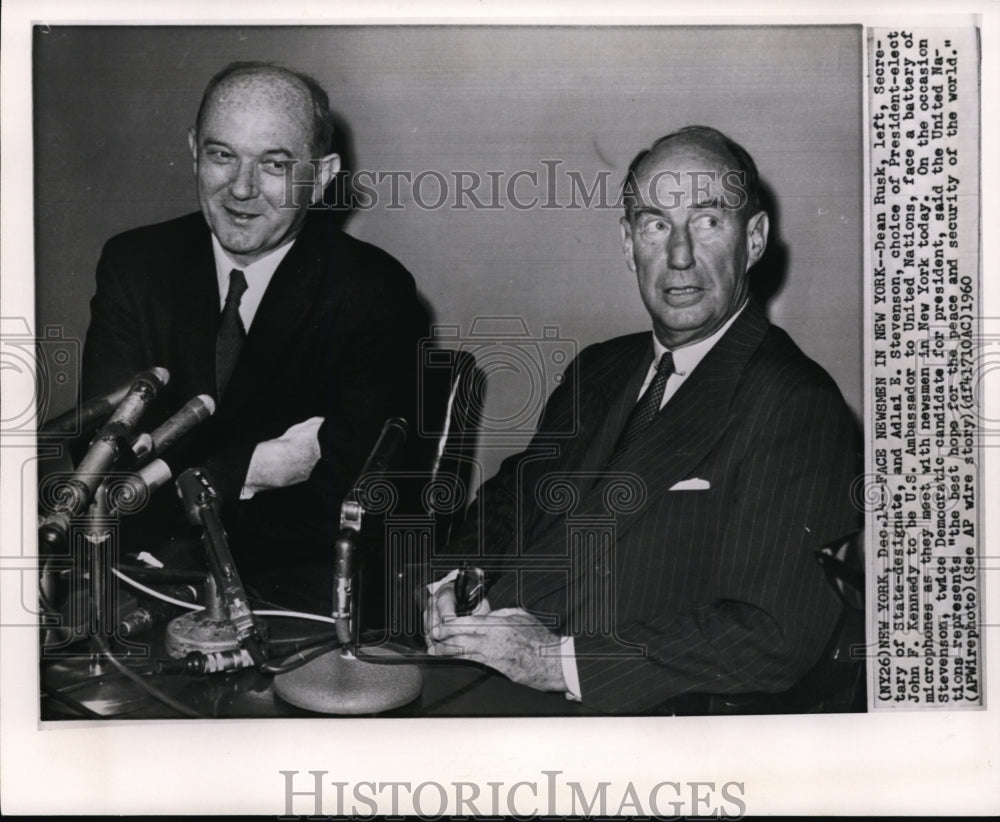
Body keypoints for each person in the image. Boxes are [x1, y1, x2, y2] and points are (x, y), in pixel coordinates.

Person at [423, 125, 861, 714]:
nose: (680, 256)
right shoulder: (599, 369)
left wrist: (555, 662)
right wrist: (456, 579)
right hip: (481, 668)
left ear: (753, 240)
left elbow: (772, 636)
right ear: (629, 244)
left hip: (618, 714)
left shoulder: (794, 402)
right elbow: (513, 499)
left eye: (708, 221)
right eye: (657, 224)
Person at [81, 62, 427, 611]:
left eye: (275, 164)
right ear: (195, 148)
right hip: (140, 583)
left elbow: (354, 500)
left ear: (324, 173)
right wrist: (257, 466)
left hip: (294, 602)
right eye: (222, 155)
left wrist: (208, 475)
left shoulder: (373, 291)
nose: (241, 188)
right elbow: (100, 465)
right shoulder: (135, 265)